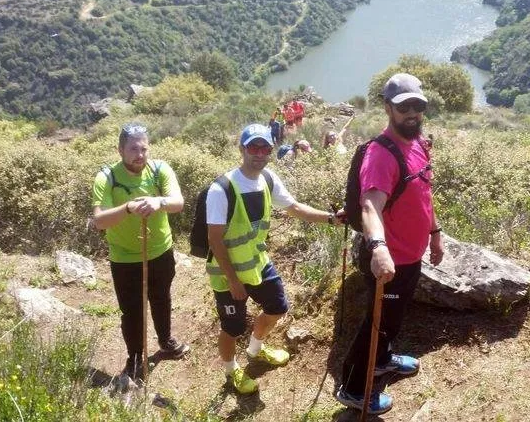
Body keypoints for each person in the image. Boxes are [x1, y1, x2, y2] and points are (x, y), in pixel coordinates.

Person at [206, 123, 343, 394]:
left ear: (271, 150)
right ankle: (231, 372)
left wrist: (331, 219)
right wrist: (233, 281)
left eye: (265, 147)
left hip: (258, 263)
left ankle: (256, 349)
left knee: (277, 308)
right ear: (242, 149)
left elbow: (294, 208)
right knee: (232, 327)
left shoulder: (268, 178)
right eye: (253, 147)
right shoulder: (221, 189)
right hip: (227, 273)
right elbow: (215, 240)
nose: (259, 152)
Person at [336, 73, 443, 415]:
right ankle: (352, 388)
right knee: (378, 322)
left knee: (391, 320)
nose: (412, 113)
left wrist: (435, 234)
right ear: (388, 108)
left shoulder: (419, 144)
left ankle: (381, 361)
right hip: (389, 258)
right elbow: (370, 205)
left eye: (417, 106)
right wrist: (379, 248)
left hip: (412, 255)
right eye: (403, 107)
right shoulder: (381, 156)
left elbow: (425, 194)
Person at [91, 123, 190, 382]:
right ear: (120, 150)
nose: (140, 154)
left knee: (161, 297)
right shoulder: (107, 178)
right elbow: (100, 221)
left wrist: (159, 202)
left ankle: (166, 341)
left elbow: (178, 203)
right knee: (132, 310)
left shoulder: (160, 170)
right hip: (124, 257)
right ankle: (135, 357)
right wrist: (127, 208)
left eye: (144, 148)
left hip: (161, 250)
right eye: (133, 149)